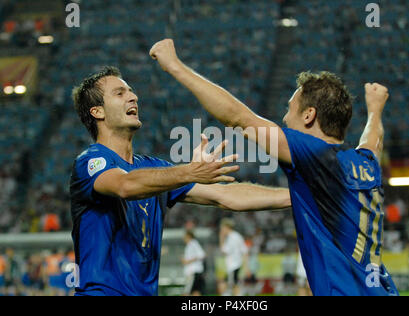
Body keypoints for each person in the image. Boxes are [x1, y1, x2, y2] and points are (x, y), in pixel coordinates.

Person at [150, 39, 399, 296]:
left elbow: (238, 118)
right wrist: (375, 110)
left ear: (308, 115)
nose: (283, 119)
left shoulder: (313, 155)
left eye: (290, 110)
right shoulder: (365, 163)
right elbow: (373, 140)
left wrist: (174, 66)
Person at [70, 66, 291, 296]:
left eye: (131, 91)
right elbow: (125, 186)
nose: (133, 97)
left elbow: (227, 195)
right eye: (119, 93)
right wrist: (189, 171)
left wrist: (297, 196)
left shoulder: (154, 169)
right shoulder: (90, 162)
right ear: (98, 112)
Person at [219, 218, 248, 296]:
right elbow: (245, 251)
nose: (221, 230)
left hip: (233, 266)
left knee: (224, 286)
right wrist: (245, 266)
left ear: (226, 227)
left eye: (222, 228)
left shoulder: (231, 238)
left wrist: (221, 238)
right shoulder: (237, 236)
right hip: (236, 265)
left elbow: (224, 251)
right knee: (233, 286)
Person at [181, 230, 206, 296]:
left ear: (188, 236)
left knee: (186, 292)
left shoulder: (193, 243)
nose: (183, 238)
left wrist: (187, 261)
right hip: (195, 272)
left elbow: (202, 255)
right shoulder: (191, 245)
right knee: (196, 292)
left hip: (193, 272)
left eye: (185, 236)